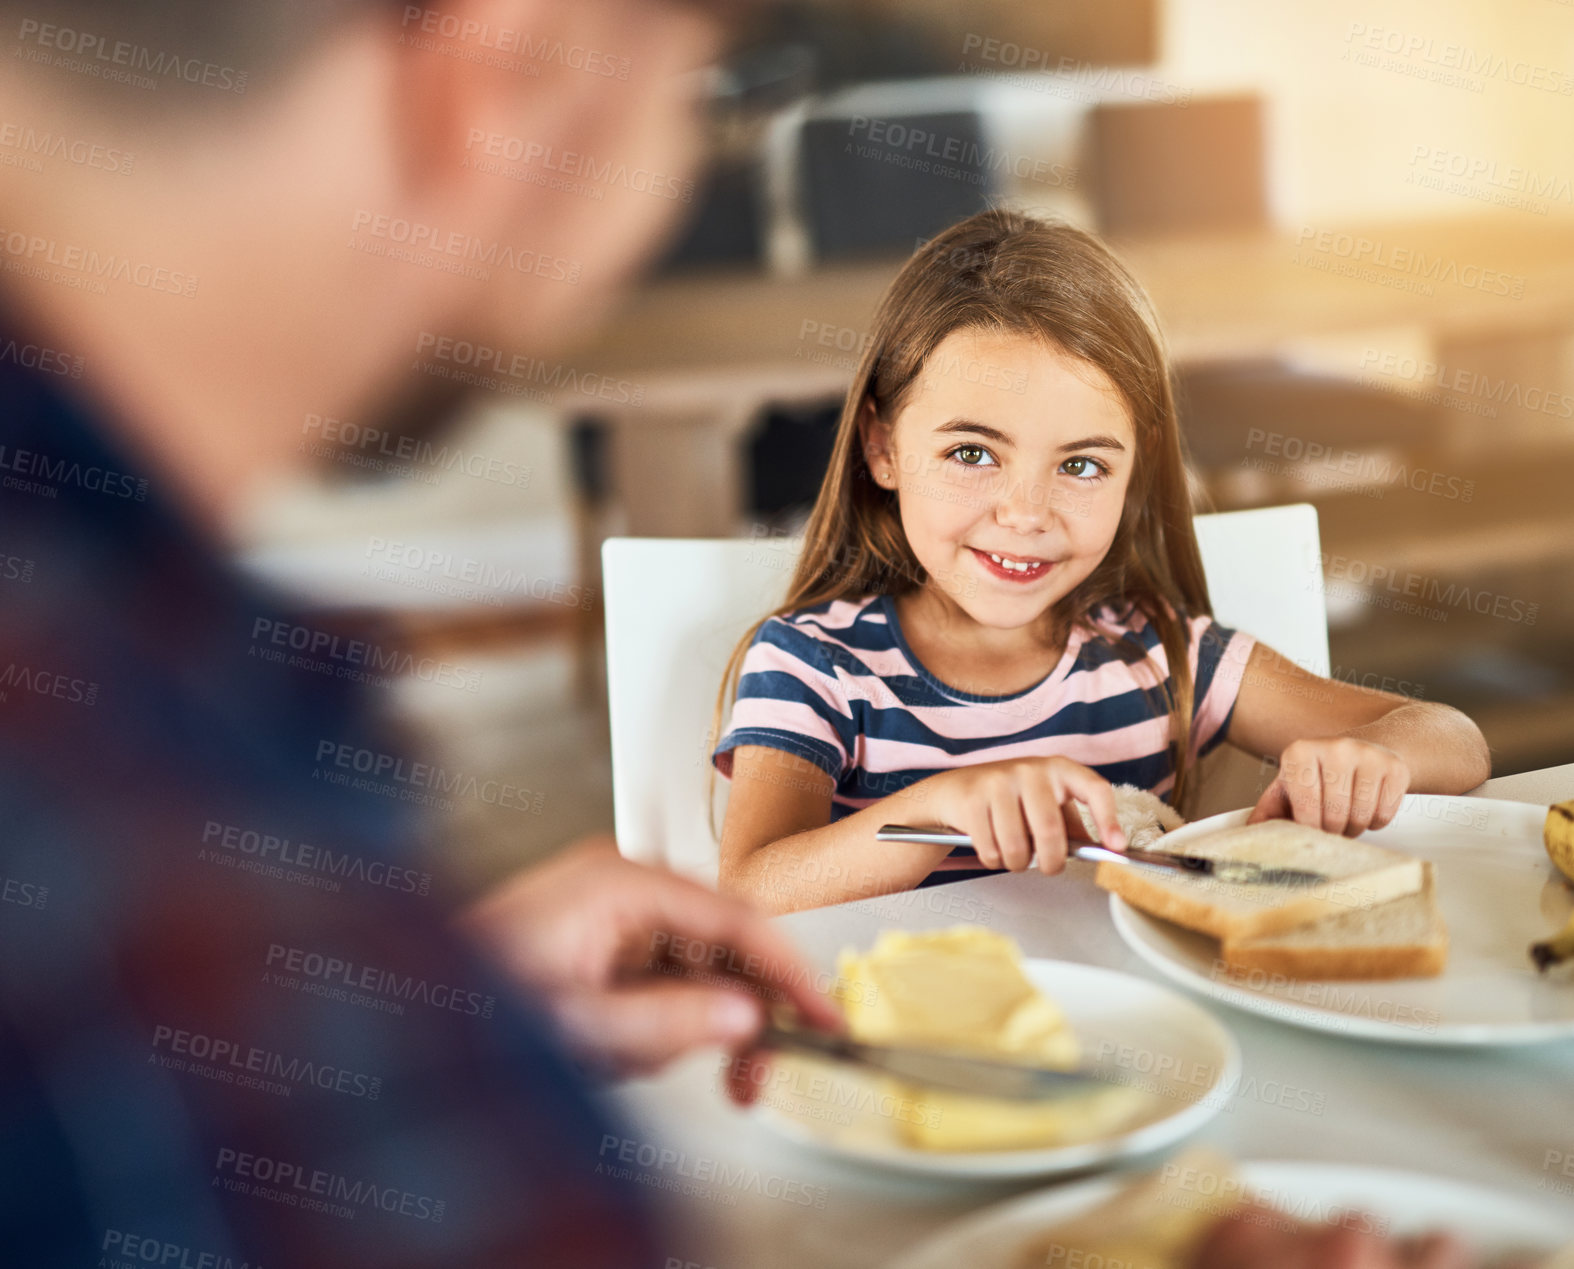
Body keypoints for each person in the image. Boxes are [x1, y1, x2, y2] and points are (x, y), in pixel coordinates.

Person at [0, 0, 1491, 1265]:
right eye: (716, 100)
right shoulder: (140, 815)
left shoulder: (158, 740)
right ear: (510, 73)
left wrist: (478, 984)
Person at [710, 210, 1491, 913]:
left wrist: (1376, 758)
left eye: (1080, 465)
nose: (1025, 514)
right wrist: (940, 806)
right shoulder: (814, 665)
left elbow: (1455, 739)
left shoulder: (1159, 653)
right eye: (972, 451)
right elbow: (751, 887)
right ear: (883, 446)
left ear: (1133, 470)